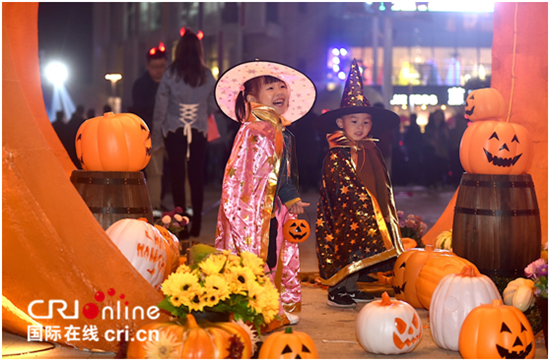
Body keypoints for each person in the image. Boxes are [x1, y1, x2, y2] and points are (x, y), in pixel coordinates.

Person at [214, 60, 317, 327]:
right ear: (250, 99)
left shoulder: (281, 132)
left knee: (276, 253)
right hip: (252, 214)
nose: (279, 91)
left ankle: (276, 301)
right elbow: (244, 179)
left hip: (273, 209)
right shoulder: (252, 132)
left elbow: (281, 173)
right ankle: (255, 305)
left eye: (282, 86)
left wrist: (290, 198)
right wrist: (258, 206)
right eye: (270, 87)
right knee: (260, 254)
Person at [313, 59, 403, 308]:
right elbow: (337, 184)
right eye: (354, 121)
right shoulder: (337, 154)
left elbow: (380, 183)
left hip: (367, 213)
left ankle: (351, 287)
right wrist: (361, 205)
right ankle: (337, 289)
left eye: (366, 122)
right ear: (341, 123)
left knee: (360, 251)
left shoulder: (370, 149)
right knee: (345, 248)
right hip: (346, 212)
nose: (361, 127)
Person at [152, 30, 217, 238]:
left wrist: (155, 137)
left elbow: (160, 108)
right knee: (196, 177)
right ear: (199, 50)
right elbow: (213, 105)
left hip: (174, 130)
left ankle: (182, 226)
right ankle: (197, 223)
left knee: (178, 178)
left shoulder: (170, 74)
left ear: (178, 50)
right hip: (198, 130)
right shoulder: (206, 74)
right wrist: (199, 110)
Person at [133, 43, 168, 215]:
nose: (158, 70)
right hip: (151, 134)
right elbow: (139, 109)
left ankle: (164, 205)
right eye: (154, 67)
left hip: (171, 133)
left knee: (170, 173)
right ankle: (155, 207)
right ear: (148, 66)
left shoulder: (171, 84)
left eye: (161, 66)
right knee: (155, 173)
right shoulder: (141, 85)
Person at [424, 109, 450, 189]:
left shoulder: (444, 127)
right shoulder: (429, 126)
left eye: (440, 116)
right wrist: (430, 142)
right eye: (437, 115)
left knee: (441, 167)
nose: (438, 117)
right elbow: (425, 138)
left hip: (441, 151)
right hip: (431, 151)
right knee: (431, 167)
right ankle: (432, 183)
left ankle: (440, 182)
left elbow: (448, 139)